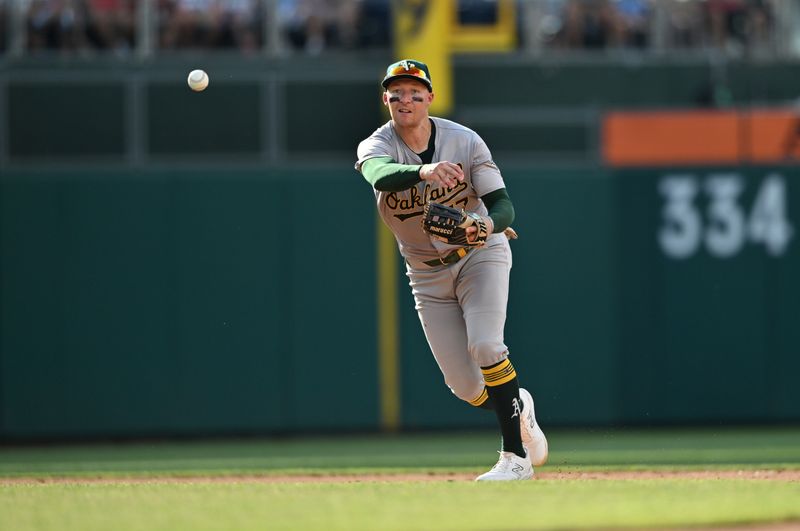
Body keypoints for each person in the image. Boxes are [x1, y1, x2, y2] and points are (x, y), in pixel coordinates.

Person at [355, 59, 549, 481]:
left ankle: (515, 459)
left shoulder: (464, 141)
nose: (405, 99)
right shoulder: (377, 144)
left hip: (479, 255)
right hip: (425, 273)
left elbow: (503, 204)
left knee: (486, 347)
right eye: (396, 92)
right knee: (465, 387)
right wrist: (424, 171)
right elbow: (379, 174)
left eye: (414, 91)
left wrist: (486, 225)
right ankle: (519, 409)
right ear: (385, 99)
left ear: (430, 98)